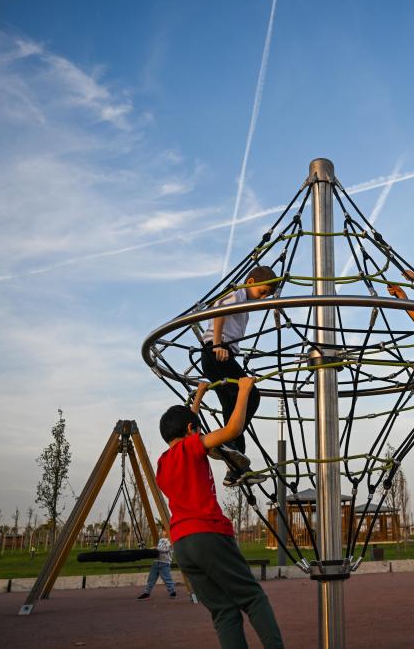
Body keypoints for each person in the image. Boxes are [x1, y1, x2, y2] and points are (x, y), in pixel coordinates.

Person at [156, 377, 284, 649]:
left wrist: (199, 397)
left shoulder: (163, 463)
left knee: (224, 611)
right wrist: (244, 390)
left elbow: (189, 424)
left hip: (182, 544)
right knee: (253, 598)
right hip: (208, 533)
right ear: (191, 430)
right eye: (197, 429)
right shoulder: (191, 446)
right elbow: (232, 429)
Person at [194, 265, 276, 486]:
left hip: (217, 355)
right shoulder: (237, 293)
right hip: (217, 353)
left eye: (267, 295)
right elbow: (218, 311)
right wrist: (218, 344)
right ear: (250, 283)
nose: (263, 298)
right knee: (250, 395)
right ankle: (226, 443)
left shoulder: (243, 301)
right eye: (262, 292)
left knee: (231, 404)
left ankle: (236, 468)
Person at [137, 536, 177, 600]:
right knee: (151, 579)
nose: (163, 532)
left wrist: (156, 548)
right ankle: (147, 593)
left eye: (164, 531)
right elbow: (158, 550)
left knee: (167, 579)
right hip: (156, 562)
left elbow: (166, 549)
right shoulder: (161, 540)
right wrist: (151, 550)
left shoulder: (170, 540)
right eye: (163, 531)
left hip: (165, 563)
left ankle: (172, 592)